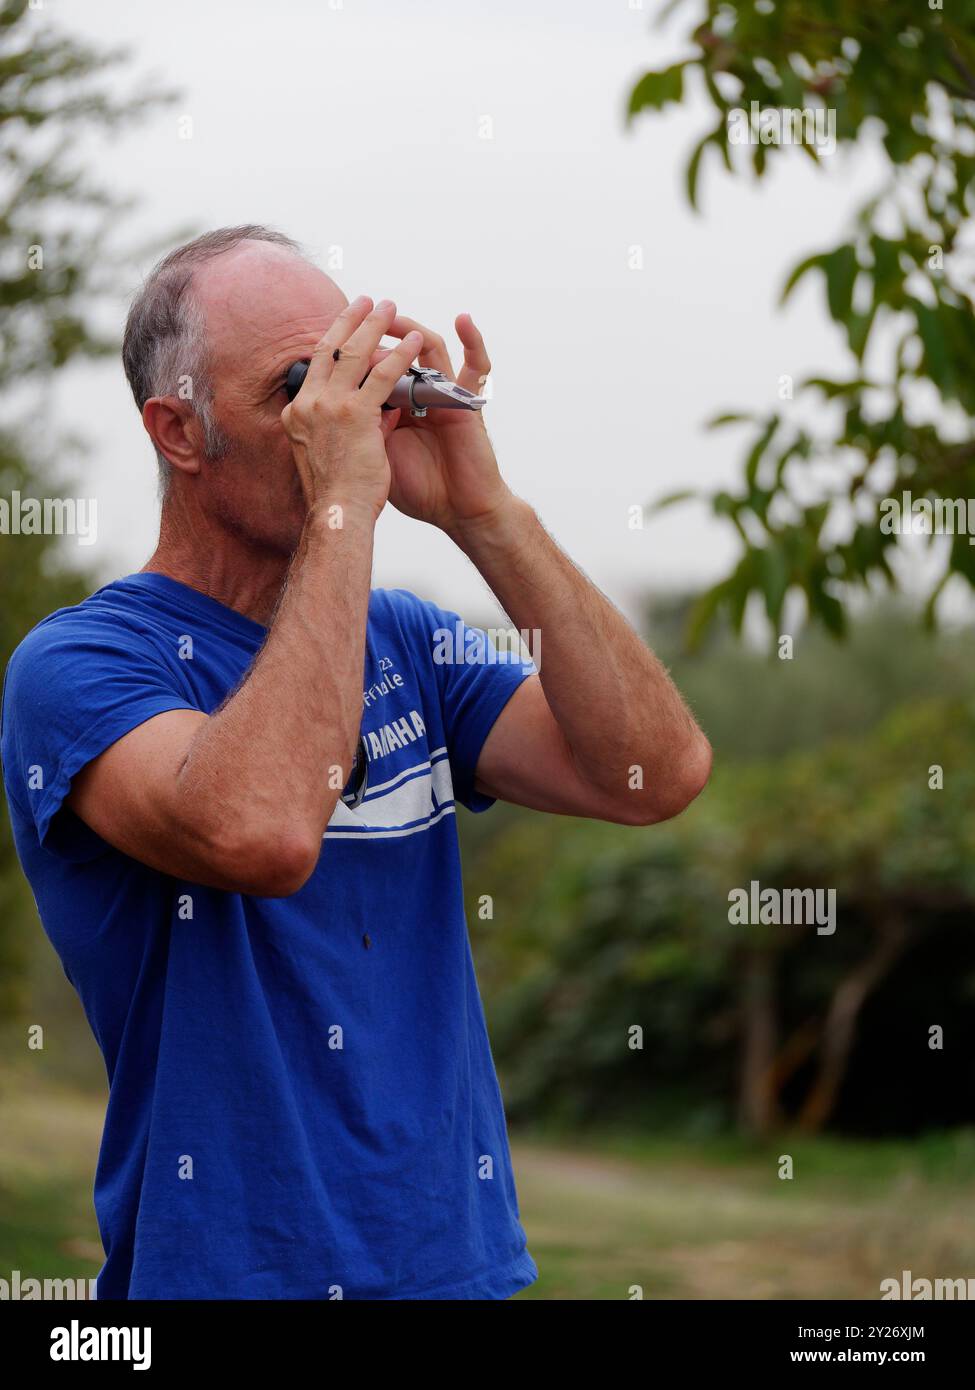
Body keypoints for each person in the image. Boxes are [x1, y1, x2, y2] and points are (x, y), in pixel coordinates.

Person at [0, 225, 712, 1300]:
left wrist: (485, 511)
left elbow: (654, 776)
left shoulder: (411, 643)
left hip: (459, 1272)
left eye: (350, 372)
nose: (336, 419)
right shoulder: (80, 668)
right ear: (178, 432)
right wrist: (343, 504)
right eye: (299, 385)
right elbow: (266, 828)